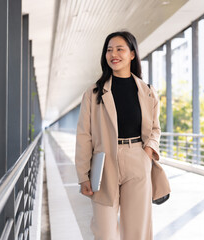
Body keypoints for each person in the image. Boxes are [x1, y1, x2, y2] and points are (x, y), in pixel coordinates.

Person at [75, 31, 170, 240]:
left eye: (120, 49)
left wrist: (147, 150)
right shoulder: (93, 93)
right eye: (109, 50)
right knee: (104, 231)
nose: (113, 54)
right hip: (104, 162)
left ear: (132, 54)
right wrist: (83, 175)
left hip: (138, 158)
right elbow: (84, 135)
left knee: (138, 230)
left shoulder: (148, 91)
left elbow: (155, 128)